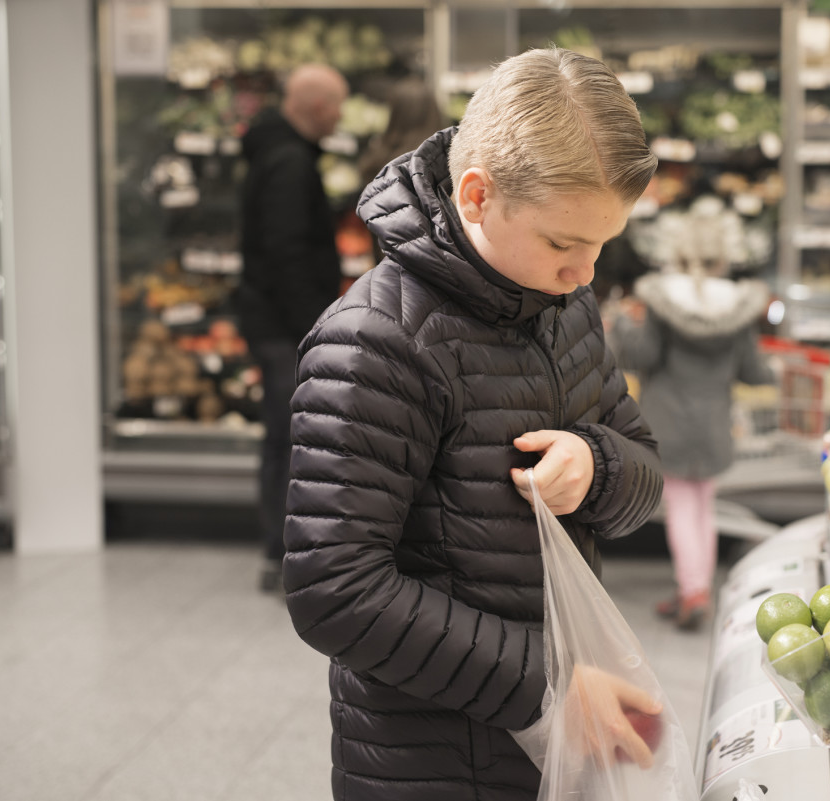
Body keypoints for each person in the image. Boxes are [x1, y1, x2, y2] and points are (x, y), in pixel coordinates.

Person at [281, 48, 665, 801]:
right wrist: (545, 682)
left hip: (549, 742)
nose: (585, 272)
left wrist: (596, 465)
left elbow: (646, 467)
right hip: (433, 763)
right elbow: (333, 588)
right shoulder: (374, 340)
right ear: (478, 194)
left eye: (601, 243)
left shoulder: (562, 307)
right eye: (564, 242)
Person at [613, 259, 774, 630]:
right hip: (714, 424)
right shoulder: (737, 309)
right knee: (703, 508)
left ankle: (693, 591)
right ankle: (696, 588)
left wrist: (623, 325)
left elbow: (643, 356)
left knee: (683, 509)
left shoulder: (665, 304)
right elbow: (752, 370)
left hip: (670, 421)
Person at [237, 63, 348, 592]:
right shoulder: (288, 163)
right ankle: (281, 555)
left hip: (273, 318)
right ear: (316, 107)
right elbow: (286, 253)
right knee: (291, 436)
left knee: (284, 435)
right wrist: (315, 325)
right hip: (285, 324)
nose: (342, 116)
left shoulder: (280, 153)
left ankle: (277, 551)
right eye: (337, 105)